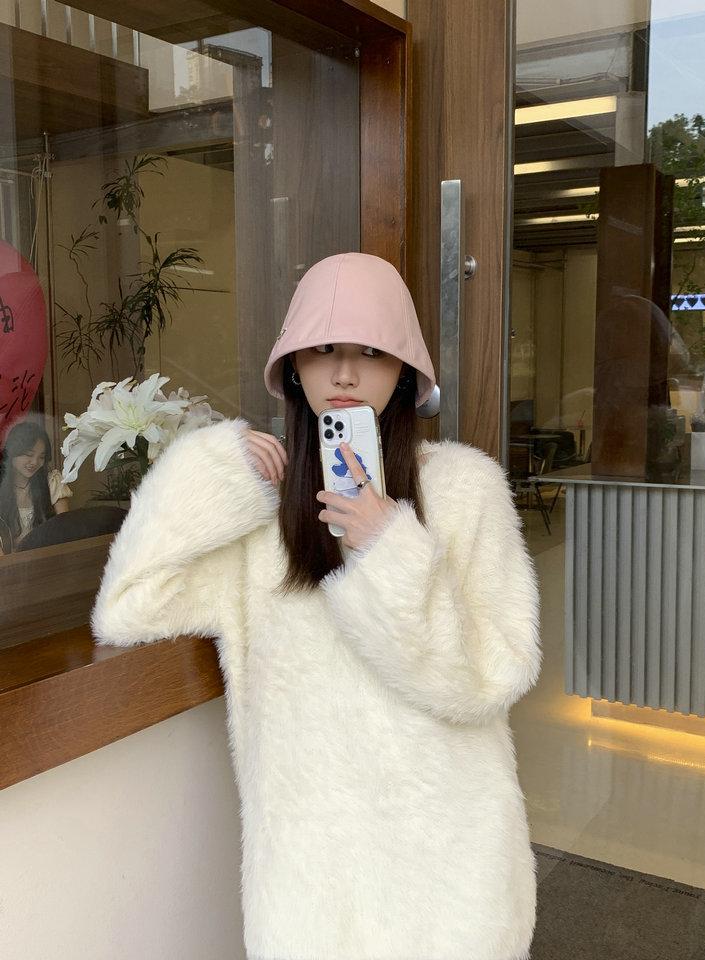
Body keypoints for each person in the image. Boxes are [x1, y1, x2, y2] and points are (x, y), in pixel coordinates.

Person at [91, 252, 542, 960]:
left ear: (405, 373)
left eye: (372, 352)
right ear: (295, 367)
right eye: (324, 349)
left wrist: (388, 548)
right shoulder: (258, 515)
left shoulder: (463, 490)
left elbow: (490, 679)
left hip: (446, 868)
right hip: (312, 882)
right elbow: (128, 607)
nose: (345, 374)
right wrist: (212, 474)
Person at [0, 418, 72, 553]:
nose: (35, 462)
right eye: (29, 455)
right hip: (8, 561)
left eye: (41, 457)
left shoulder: (52, 481)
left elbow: (65, 528)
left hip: (47, 556)